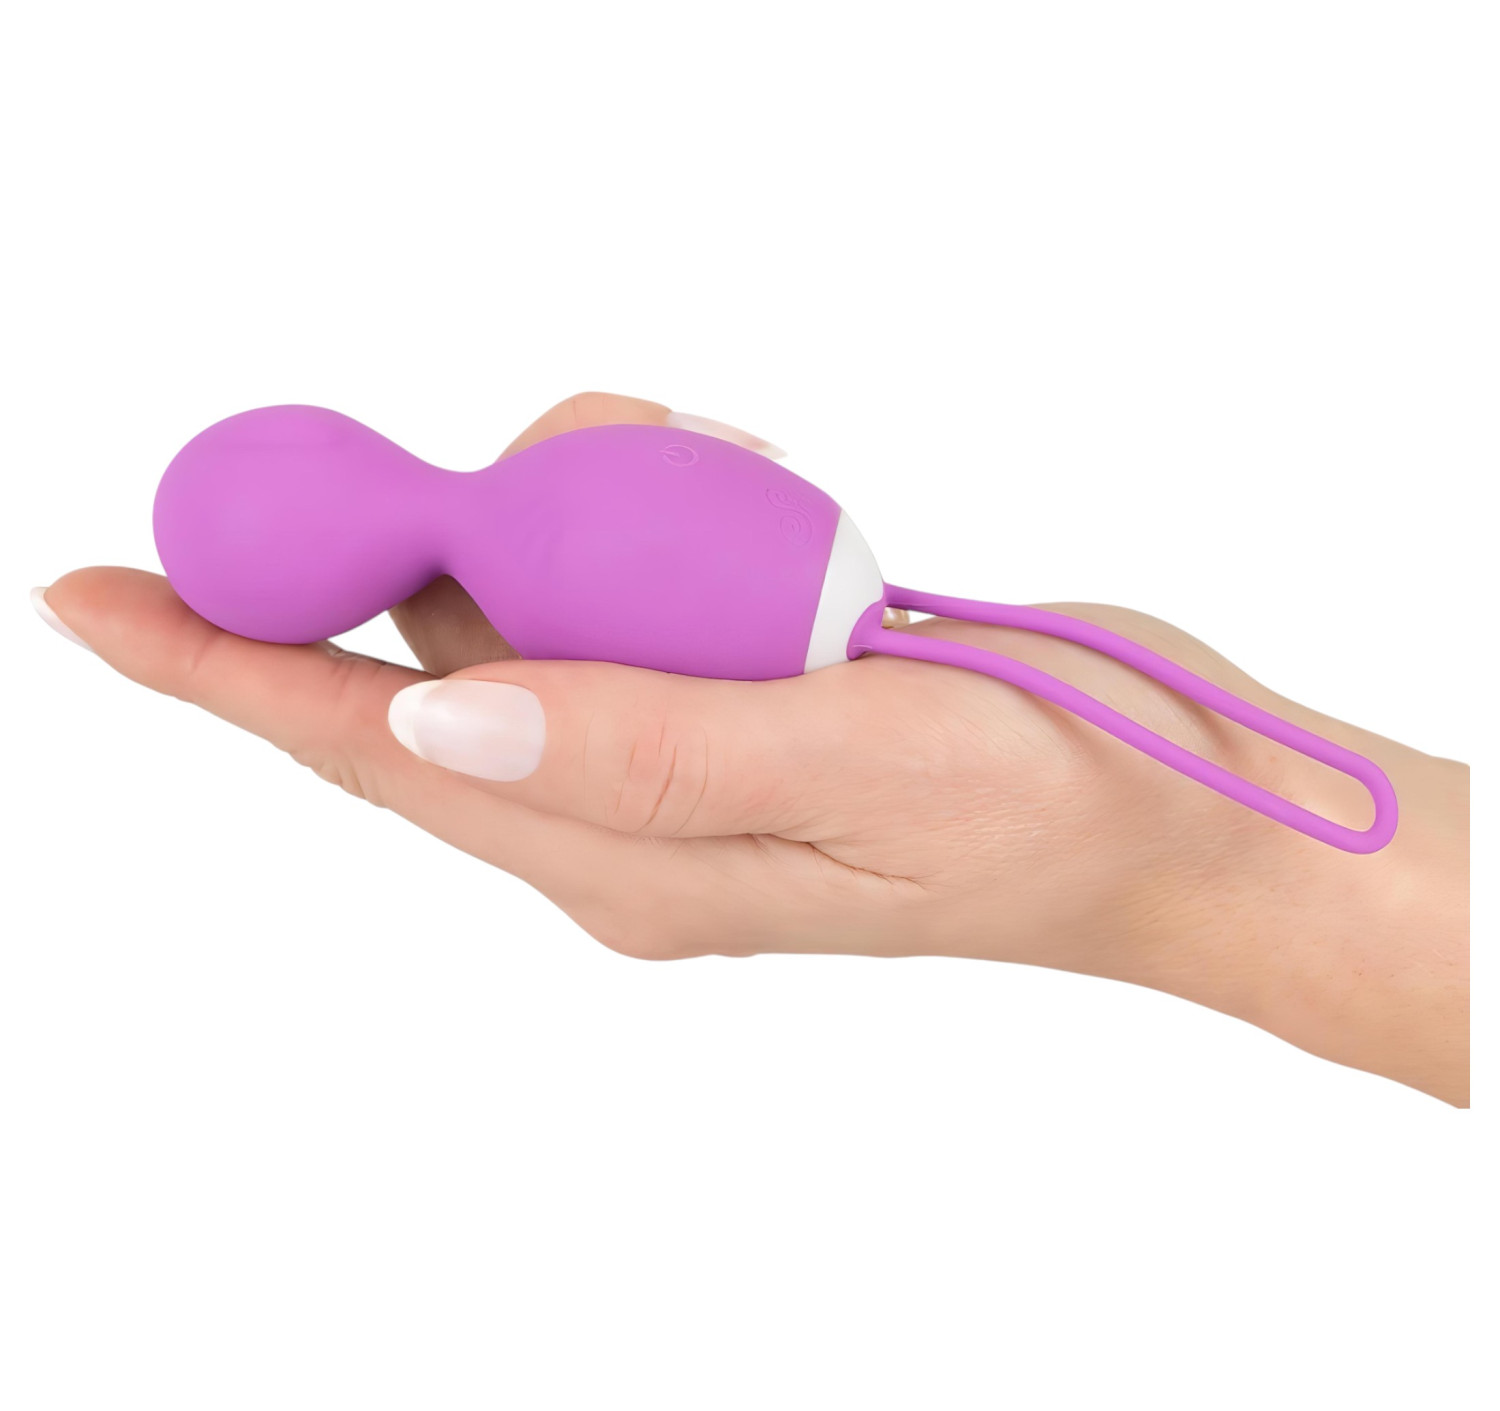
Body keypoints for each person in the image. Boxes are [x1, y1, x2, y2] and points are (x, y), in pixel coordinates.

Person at [33, 392, 1471, 1105]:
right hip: (838, 578)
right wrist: (1230, 870)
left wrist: (1201, 871)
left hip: (830, 591)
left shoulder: (542, 507)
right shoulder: (555, 494)